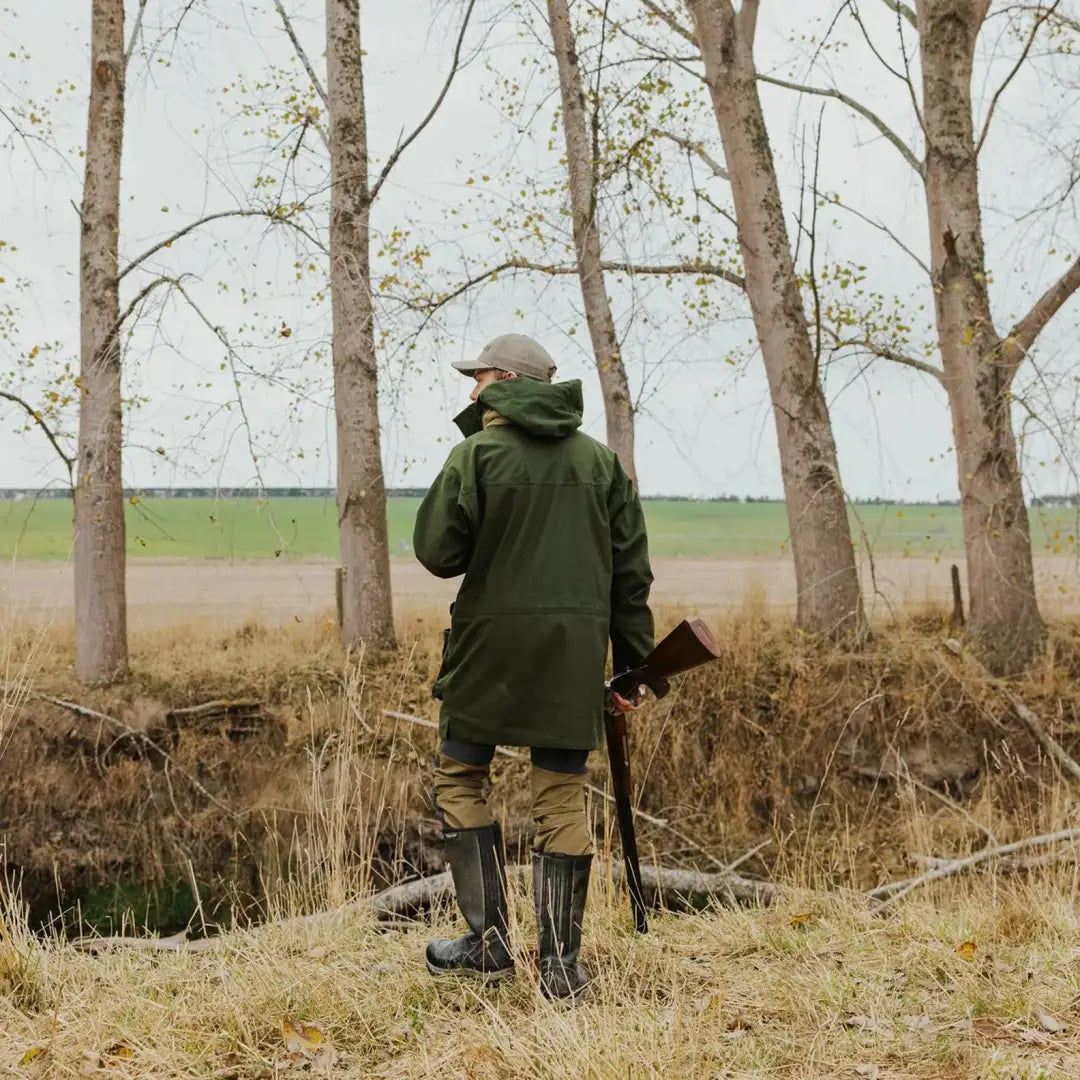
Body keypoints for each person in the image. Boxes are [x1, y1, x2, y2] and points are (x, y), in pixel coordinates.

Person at [412, 333, 654, 1000]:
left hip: (488, 651)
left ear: (508, 380)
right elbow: (631, 577)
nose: (471, 391)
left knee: (460, 776)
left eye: (479, 378)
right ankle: (560, 968)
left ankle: (487, 945)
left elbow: (437, 551)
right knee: (560, 794)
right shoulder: (601, 464)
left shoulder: (477, 453)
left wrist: (471, 459)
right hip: (570, 659)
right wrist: (634, 669)